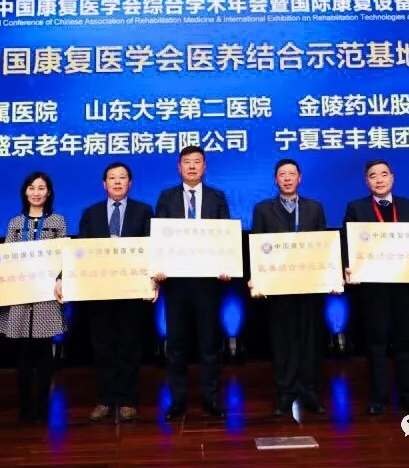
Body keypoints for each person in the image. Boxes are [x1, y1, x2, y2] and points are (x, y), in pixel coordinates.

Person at [342, 159, 409, 415]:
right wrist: (349, 267)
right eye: (373, 176)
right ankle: (378, 398)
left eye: (383, 174)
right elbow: (348, 244)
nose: (379, 179)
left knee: (406, 341)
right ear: (366, 182)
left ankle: (408, 396)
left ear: (392, 178)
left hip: (404, 285)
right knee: (376, 343)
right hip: (373, 287)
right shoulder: (356, 208)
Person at [73, 162, 154, 423]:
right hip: (100, 291)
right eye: (112, 178)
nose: (117, 182)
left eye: (122, 178)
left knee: (130, 346)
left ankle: (128, 400)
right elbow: (81, 251)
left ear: (130, 183)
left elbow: (151, 249)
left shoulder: (144, 211)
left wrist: (151, 282)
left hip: (131, 290)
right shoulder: (91, 213)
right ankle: (105, 400)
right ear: (104, 184)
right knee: (103, 347)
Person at [153, 145, 231, 420]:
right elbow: (160, 237)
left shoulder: (217, 197)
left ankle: (211, 398)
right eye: (187, 162)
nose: (192, 166)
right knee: (176, 345)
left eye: (197, 162)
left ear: (205, 167)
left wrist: (227, 265)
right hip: (176, 283)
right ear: (179, 167)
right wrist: (159, 267)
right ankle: (178, 401)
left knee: (209, 343)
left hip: (208, 283)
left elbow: (225, 237)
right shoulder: (166, 198)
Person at [250, 159, 327, 416]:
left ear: (299, 178)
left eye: (291, 174)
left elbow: (324, 246)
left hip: (308, 285)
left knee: (309, 339)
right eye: (282, 174)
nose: (287, 178)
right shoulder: (263, 209)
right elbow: (256, 247)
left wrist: (330, 277)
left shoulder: (314, 208)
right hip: (278, 286)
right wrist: (256, 279)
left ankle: (309, 390)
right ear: (275, 180)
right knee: (282, 340)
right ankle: (284, 392)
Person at [0, 171, 68, 423]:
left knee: (45, 355)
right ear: (25, 192)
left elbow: (63, 256)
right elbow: (5, 258)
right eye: (32, 188)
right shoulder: (15, 223)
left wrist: (60, 279)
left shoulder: (57, 221)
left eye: (41, 188)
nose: (36, 192)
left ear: (48, 193)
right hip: (20, 295)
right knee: (23, 356)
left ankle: (43, 406)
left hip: (46, 296)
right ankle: (26, 408)